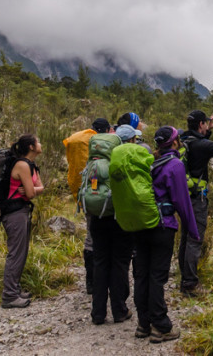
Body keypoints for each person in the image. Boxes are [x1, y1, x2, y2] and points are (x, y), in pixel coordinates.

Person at [133, 126, 200, 343]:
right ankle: (161, 326)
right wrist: (192, 229)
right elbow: (182, 201)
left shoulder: (149, 162)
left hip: (142, 224)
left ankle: (143, 324)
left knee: (142, 274)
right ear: (174, 142)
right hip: (163, 226)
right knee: (157, 276)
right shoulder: (175, 165)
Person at [177, 110, 213, 296]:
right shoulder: (200, 145)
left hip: (185, 197)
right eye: (205, 123)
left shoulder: (184, 140)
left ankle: (185, 278)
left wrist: (207, 130)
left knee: (185, 238)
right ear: (201, 124)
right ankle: (190, 285)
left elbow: (201, 147)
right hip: (197, 200)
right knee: (194, 240)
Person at [87, 129, 131, 325]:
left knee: (100, 263)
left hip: (96, 219)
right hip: (117, 219)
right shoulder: (118, 165)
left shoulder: (92, 166)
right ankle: (119, 311)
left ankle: (97, 313)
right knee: (119, 264)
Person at [64, 117, 111, 294]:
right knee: (106, 238)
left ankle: (90, 282)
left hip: (85, 195)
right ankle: (103, 280)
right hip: (104, 197)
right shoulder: (102, 145)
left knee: (91, 237)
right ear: (106, 130)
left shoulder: (80, 139)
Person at [1, 134, 44, 309]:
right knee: (16, 253)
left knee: (22, 252)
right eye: (38, 141)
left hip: (22, 210)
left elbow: (39, 188)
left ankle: (15, 290)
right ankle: (9, 296)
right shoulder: (22, 165)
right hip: (14, 212)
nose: (40, 144)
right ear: (31, 147)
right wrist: (31, 190)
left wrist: (30, 189)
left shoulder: (31, 166)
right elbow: (34, 193)